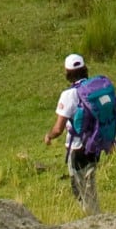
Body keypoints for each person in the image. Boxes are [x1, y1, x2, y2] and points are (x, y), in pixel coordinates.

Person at [43, 53, 103, 216]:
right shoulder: (95, 88)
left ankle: (93, 218)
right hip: (95, 143)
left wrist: (49, 136)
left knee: (79, 188)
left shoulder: (68, 95)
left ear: (68, 72)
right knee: (90, 184)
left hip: (77, 147)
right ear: (84, 69)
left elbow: (58, 129)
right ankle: (95, 216)